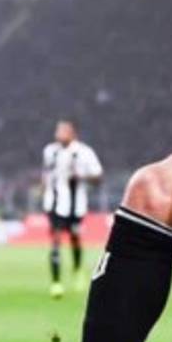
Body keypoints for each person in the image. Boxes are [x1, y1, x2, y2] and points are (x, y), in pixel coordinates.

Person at [41, 120, 103, 299]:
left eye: (63, 130)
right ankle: (56, 283)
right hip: (53, 204)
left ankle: (77, 271)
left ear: (73, 133)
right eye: (58, 130)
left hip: (76, 206)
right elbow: (46, 173)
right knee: (55, 240)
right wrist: (43, 186)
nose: (59, 134)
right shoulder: (49, 151)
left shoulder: (84, 152)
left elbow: (98, 176)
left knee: (75, 238)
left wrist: (81, 176)